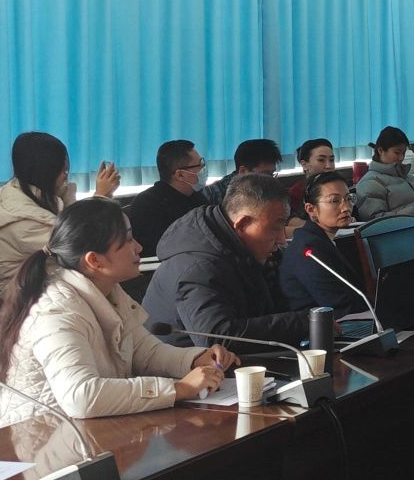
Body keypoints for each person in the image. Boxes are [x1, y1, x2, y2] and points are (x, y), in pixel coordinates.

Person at [0, 198, 231, 432]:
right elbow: (81, 396)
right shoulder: (57, 311)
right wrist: (179, 389)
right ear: (94, 261)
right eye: (127, 241)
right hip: (26, 442)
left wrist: (195, 360)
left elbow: (145, 353)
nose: (139, 247)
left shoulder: (108, 291)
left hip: (76, 434)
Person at [143, 172, 312, 347]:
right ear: (242, 224)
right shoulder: (198, 267)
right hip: (188, 362)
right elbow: (217, 338)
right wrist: (306, 322)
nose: (282, 239)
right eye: (274, 229)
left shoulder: (245, 248)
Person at [0, 131, 120, 292]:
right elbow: (78, 245)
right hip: (24, 295)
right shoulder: (21, 217)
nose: (66, 177)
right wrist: (100, 197)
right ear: (45, 172)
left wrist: (102, 197)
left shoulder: (46, 196)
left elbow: (78, 225)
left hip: (53, 284)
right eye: (63, 171)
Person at [280, 171, 364, 311]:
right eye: (334, 201)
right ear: (311, 209)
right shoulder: (309, 250)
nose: (346, 208)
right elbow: (339, 306)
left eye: (348, 199)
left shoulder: (322, 239)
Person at [127, 139, 206, 255]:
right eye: (199, 166)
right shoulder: (147, 206)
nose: (203, 169)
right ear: (180, 175)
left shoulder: (197, 197)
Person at [353, 126, 414, 223]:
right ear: (380, 151)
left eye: (404, 153)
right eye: (397, 153)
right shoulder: (370, 183)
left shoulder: (409, 178)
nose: (401, 158)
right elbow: (375, 223)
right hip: (403, 233)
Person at [201, 139, 283, 210]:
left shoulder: (271, 190)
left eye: (272, 174)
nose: (270, 180)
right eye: (265, 174)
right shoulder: (212, 195)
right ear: (243, 171)